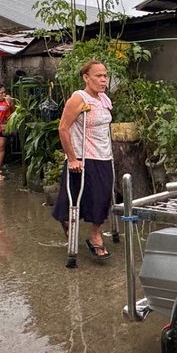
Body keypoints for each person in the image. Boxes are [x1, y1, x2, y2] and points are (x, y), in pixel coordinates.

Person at [51, 60, 114, 260]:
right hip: (82, 156)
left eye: (105, 75)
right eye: (98, 75)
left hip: (104, 155)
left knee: (102, 196)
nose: (103, 79)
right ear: (86, 78)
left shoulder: (104, 99)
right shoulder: (78, 98)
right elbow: (63, 128)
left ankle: (95, 234)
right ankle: (70, 223)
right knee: (73, 198)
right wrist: (71, 158)